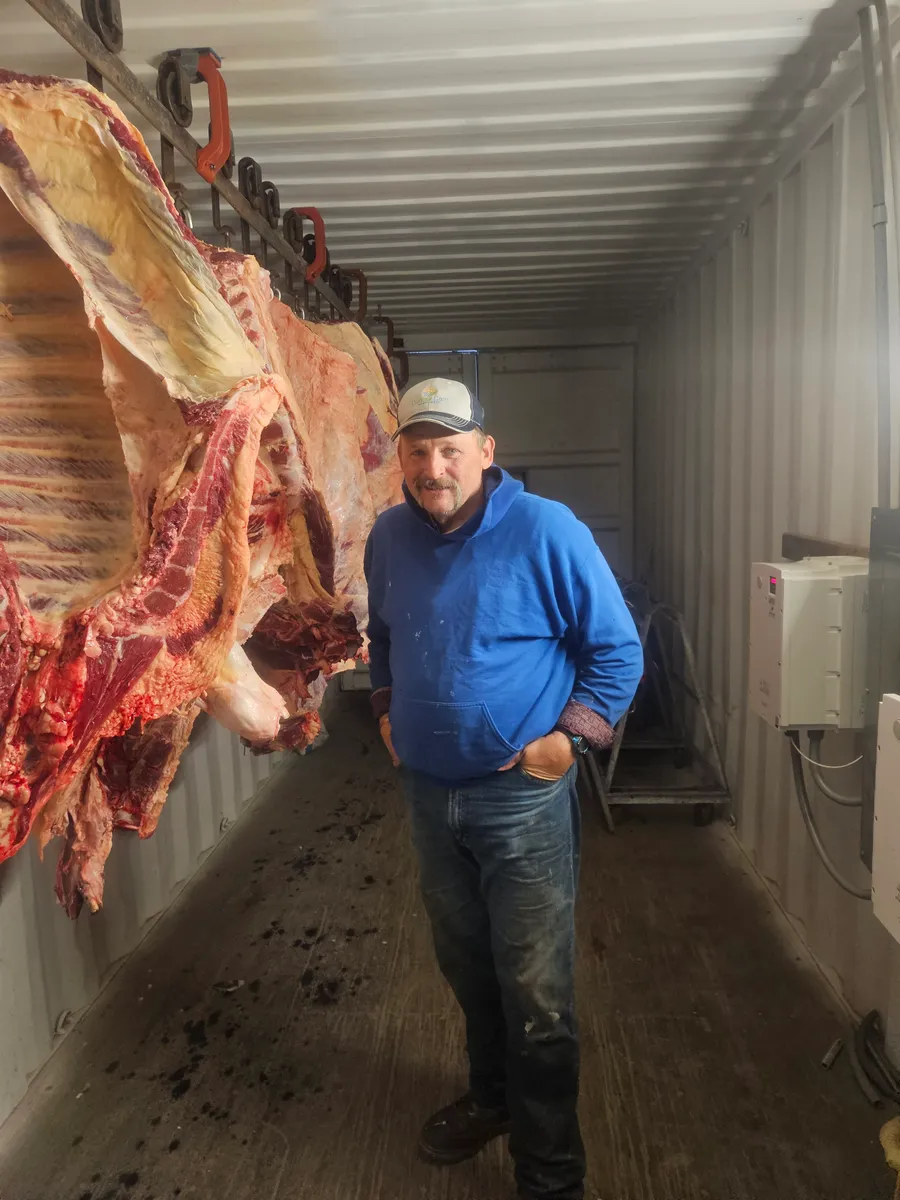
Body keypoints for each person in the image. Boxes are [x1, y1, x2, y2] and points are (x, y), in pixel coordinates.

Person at [363, 378, 643, 1200]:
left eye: (451, 449)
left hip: (517, 796)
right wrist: (384, 707)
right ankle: (492, 1100)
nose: (433, 466)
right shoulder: (387, 537)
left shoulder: (544, 529)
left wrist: (572, 740)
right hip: (426, 793)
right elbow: (381, 636)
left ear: (487, 452)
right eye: (419, 451)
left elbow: (617, 651)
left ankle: (551, 1171)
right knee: (466, 965)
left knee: (537, 987)